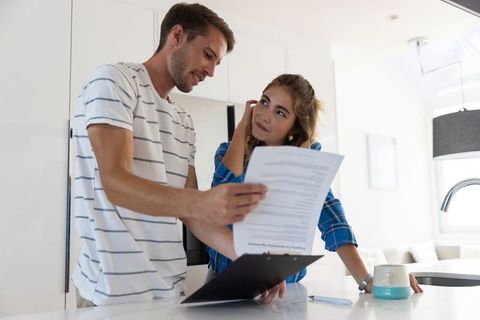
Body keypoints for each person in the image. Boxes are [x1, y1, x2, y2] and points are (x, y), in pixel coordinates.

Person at [72, 2, 284, 306]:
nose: (210, 71)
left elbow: (192, 214)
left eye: (216, 64)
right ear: (177, 35)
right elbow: (115, 183)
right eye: (208, 55)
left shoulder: (183, 121)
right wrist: (203, 201)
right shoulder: (115, 81)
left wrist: (251, 260)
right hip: (110, 294)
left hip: (170, 294)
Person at [205, 74, 423, 294]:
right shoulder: (228, 152)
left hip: (283, 290)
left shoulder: (305, 167)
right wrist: (241, 128)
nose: (265, 115)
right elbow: (221, 197)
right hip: (226, 285)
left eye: (280, 112)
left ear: (293, 127)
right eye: (264, 102)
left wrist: (366, 280)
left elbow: (333, 222)